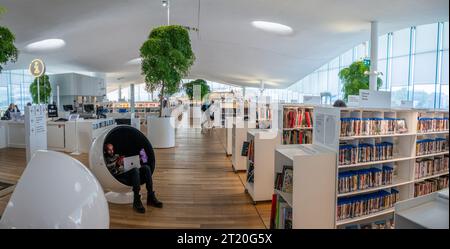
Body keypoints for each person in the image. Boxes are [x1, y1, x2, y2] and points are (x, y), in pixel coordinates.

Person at [104, 143, 163, 213]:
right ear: (105, 151)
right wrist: (117, 165)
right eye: (109, 150)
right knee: (135, 170)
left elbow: (125, 166)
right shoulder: (106, 160)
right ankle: (136, 200)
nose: (112, 151)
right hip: (119, 176)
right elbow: (111, 173)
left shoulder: (117, 156)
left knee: (146, 168)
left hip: (127, 172)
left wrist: (126, 162)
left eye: (112, 149)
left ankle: (150, 196)